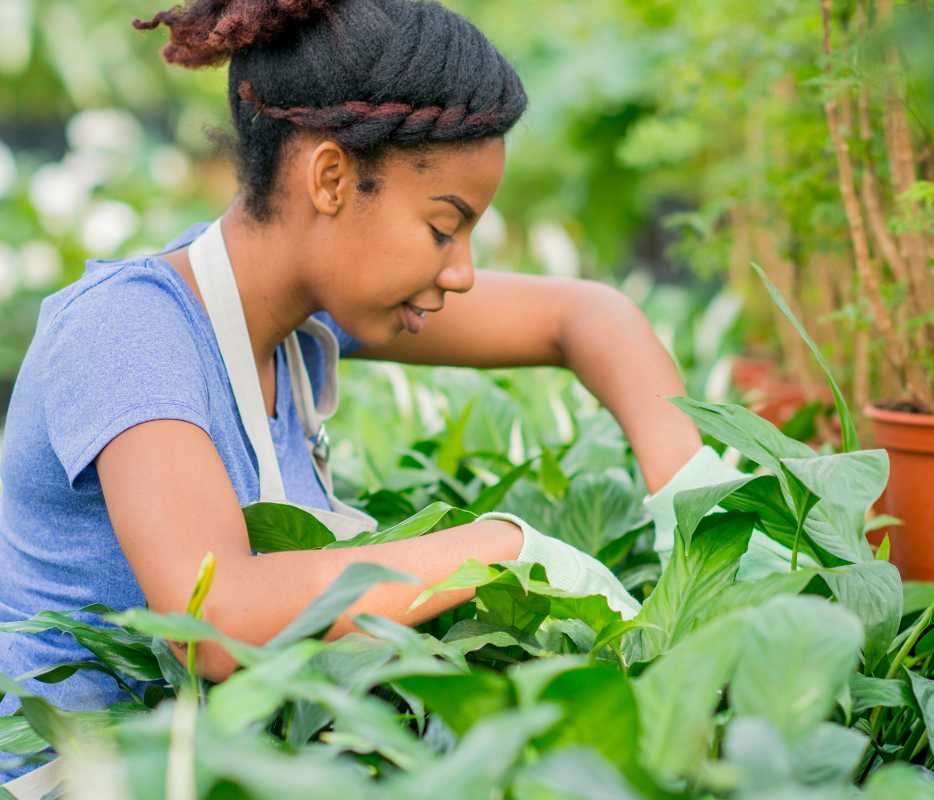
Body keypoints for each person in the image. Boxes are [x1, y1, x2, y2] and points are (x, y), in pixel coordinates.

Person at [0, 0, 712, 788]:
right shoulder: (131, 334)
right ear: (332, 179)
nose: (462, 270)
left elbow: (587, 317)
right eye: (445, 227)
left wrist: (695, 494)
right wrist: (503, 550)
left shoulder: (302, 317)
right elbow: (213, 621)